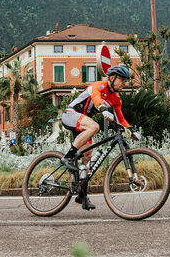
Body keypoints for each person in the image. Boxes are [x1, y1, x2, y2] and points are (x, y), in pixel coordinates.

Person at [60, 65, 141, 210]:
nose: (124, 83)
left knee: (87, 158)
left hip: (83, 125)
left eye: (125, 80)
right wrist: (103, 109)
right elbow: (96, 97)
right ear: (111, 78)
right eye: (122, 80)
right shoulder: (99, 86)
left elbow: (120, 119)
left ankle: (82, 195)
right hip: (71, 114)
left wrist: (130, 130)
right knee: (94, 127)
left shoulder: (116, 99)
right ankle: (67, 157)